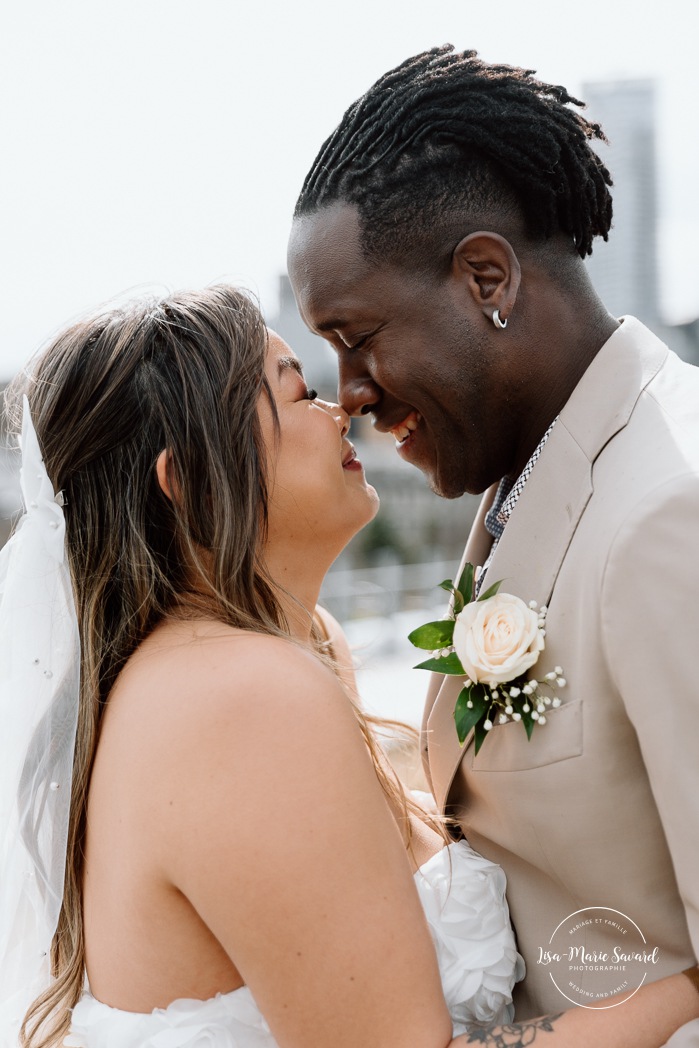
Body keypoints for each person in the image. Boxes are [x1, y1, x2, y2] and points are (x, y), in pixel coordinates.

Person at [0, 285, 697, 1048]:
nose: (342, 408)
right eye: (295, 391)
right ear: (191, 480)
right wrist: (681, 991)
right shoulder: (236, 697)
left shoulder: (299, 649)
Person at [287, 45, 699, 1043]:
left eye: (358, 336)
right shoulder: (526, 474)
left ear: (485, 279)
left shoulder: (669, 516)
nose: (348, 394)